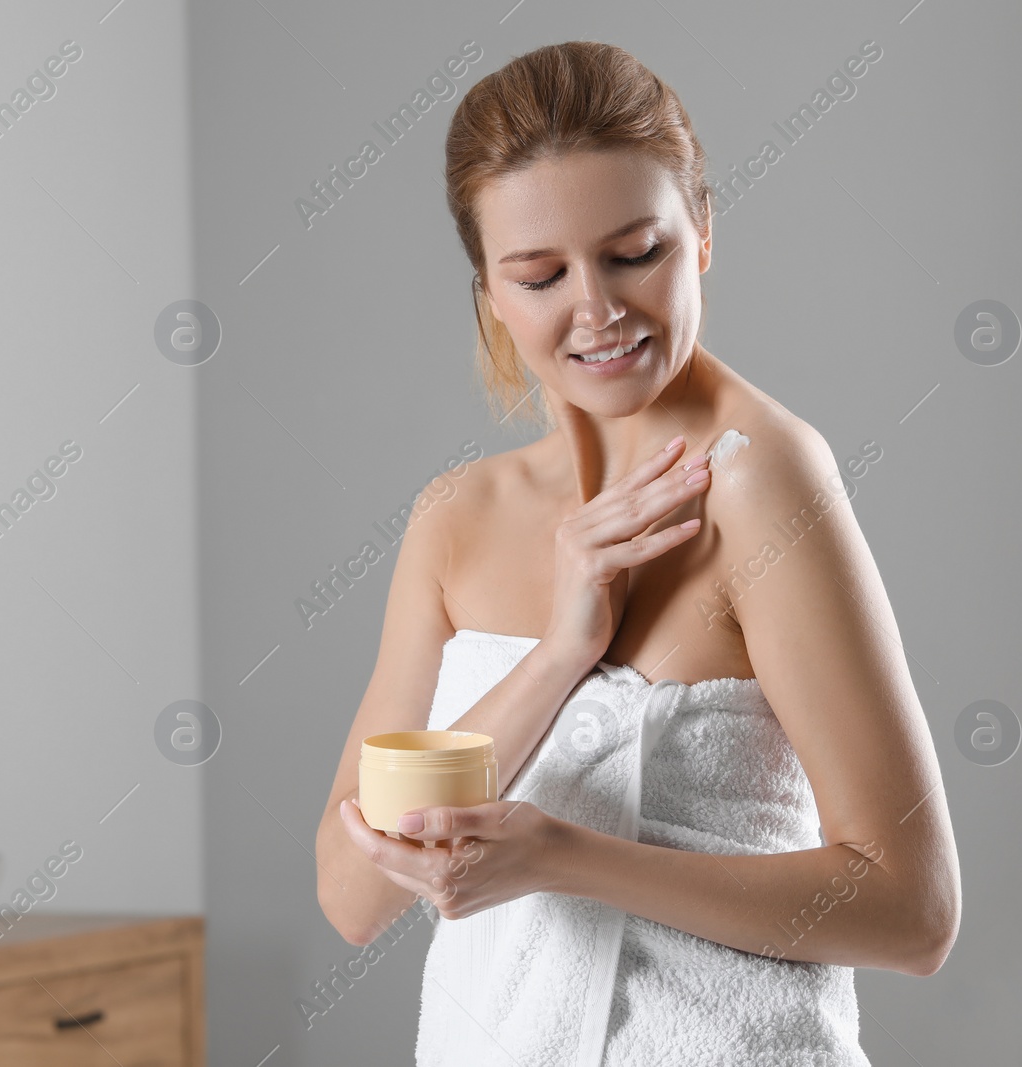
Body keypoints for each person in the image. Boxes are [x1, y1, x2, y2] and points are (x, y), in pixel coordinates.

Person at [314, 40, 960, 1066]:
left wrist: (562, 857)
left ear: (701, 230)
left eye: (633, 252)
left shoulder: (761, 478)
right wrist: (560, 651)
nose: (598, 308)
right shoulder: (456, 515)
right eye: (539, 274)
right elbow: (351, 894)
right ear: (489, 290)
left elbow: (911, 908)